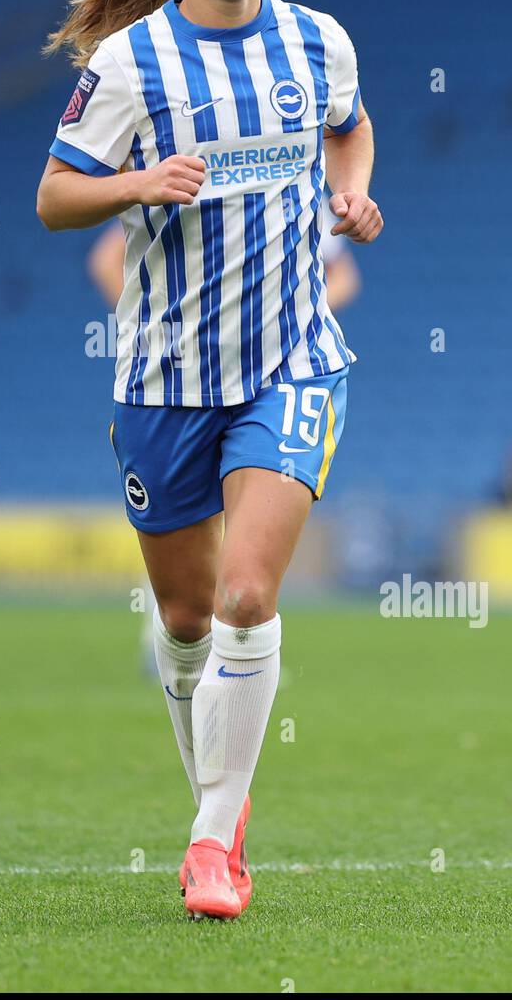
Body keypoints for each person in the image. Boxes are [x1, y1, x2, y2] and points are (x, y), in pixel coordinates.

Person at [37, 0, 383, 920]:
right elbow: (53, 196)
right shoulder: (131, 66)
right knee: (184, 620)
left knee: (244, 593)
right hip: (163, 378)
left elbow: (350, 128)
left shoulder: (315, 40)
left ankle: (205, 841)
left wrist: (350, 195)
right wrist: (139, 179)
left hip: (290, 362)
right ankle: (219, 813)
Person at [87, 194, 361, 679]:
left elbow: (345, 276)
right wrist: (152, 321)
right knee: (185, 536)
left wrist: (297, 309)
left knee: (248, 550)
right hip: (179, 380)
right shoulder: (195, 167)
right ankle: (176, 643)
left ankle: (238, 650)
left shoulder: (302, 186)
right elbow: (104, 254)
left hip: (272, 377)